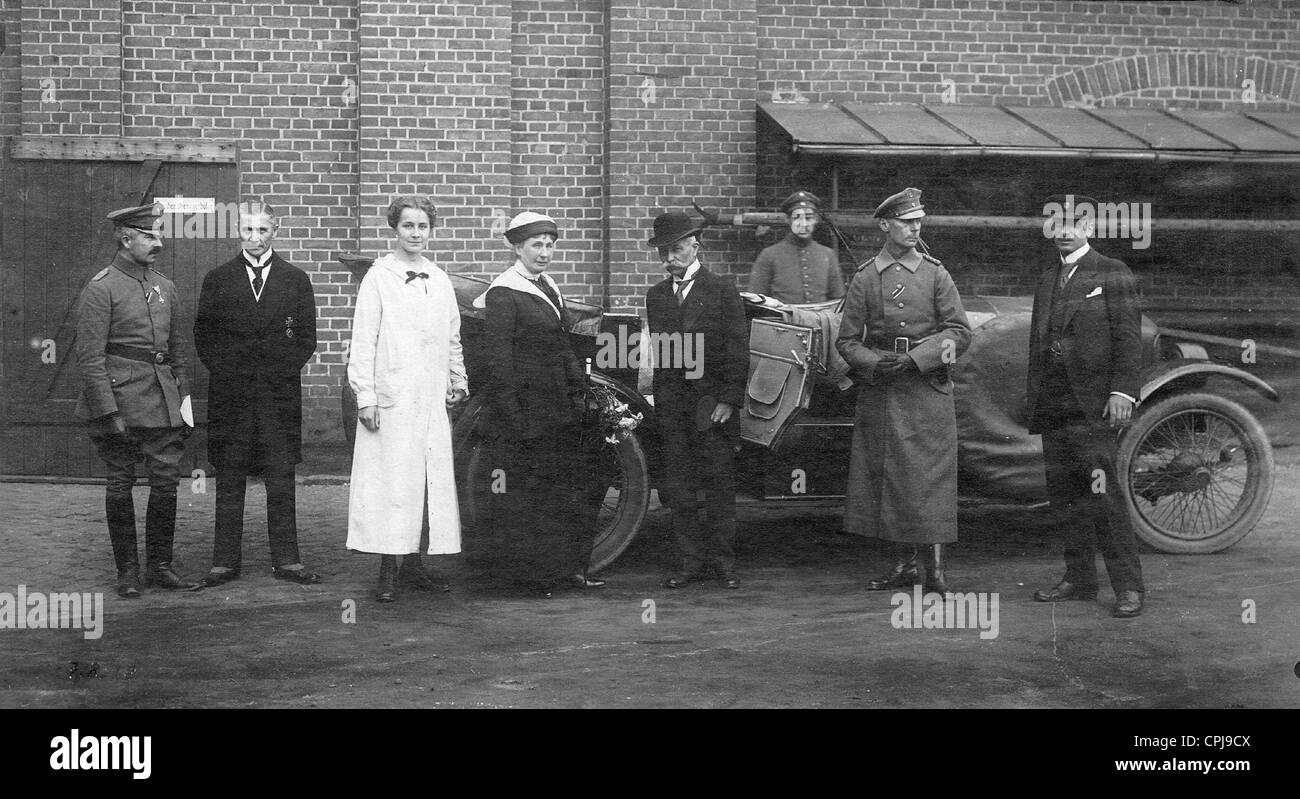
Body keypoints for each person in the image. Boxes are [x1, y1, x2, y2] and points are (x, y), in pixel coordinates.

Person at [836, 188, 971, 595]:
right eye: (906, 221)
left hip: (926, 389)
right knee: (892, 479)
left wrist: (918, 359)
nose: (915, 228)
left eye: (918, 221)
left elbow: (960, 334)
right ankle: (906, 565)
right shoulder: (865, 277)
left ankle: (934, 570)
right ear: (884, 225)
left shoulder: (935, 274)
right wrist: (876, 363)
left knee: (927, 479)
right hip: (884, 392)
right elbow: (846, 341)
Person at [473, 212, 603, 598]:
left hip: (556, 409)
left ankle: (561, 572)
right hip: (523, 415)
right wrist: (516, 418)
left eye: (550, 245)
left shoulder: (547, 286)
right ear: (517, 247)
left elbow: (562, 345)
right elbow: (499, 361)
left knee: (558, 493)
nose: (545, 252)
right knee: (522, 498)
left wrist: (581, 389)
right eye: (536, 245)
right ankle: (527, 580)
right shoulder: (504, 292)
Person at [1028, 194, 1145, 618]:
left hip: (1095, 406)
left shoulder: (1112, 273)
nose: (1063, 231)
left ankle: (1129, 588)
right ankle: (1079, 578)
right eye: (1056, 223)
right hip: (1054, 406)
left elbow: (1129, 340)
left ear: (1090, 228)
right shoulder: (1047, 278)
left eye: (1073, 223)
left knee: (1104, 497)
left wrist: (1122, 393)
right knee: (1067, 498)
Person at [73, 203, 199, 597]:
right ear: (126, 239)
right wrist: (109, 412)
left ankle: (160, 566)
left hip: (162, 401)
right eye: (150, 235)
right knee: (120, 482)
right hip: (120, 403)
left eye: (159, 233)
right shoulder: (102, 287)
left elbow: (178, 354)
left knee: (165, 483)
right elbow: (91, 359)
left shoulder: (165, 287)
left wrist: (185, 405)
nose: (158, 242)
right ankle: (127, 571)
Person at [346, 196, 467, 602]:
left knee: (426, 483)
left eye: (422, 227)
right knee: (392, 483)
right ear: (394, 230)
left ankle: (415, 565)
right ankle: (387, 569)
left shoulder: (439, 278)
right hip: (392, 397)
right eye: (407, 226)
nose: (415, 234)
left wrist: (457, 379)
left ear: (431, 230)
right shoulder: (379, 276)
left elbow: (453, 337)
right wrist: (366, 395)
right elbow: (363, 340)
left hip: (430, 399)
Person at [194, 201, 321, 587]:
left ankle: (287, 560)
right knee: (229, 476)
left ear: (275, 230)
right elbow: (205, 337)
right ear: (238, 232)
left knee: (280, 476)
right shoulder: (218, 279)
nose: (255, 238)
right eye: (248, 231)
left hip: (278, 395)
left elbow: (305, 340)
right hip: (231, 396)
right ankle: (224, 561)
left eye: (262, 231)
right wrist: (235, 373)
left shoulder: (295, 279)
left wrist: (274, 372)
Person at [645, 211, 749, 590]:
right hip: (674, 408)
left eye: (674, 250)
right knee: (681, 490)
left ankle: (724, 564)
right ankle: (690, 563)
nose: (668, 259)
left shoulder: (722, 290)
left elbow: (738, 351)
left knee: (719, 488)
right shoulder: (656, 297)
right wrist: (660, 404)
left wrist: (728, 400)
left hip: (713, 408)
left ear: (694, 246)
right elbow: (663, 357)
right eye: (663, 252)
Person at [747, 190, 845, 305]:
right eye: (797, 218)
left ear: (816, 220)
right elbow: (756, 302)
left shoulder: (827, 255)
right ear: (788, 220)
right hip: (782, 322)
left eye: (808, 218)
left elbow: (838, 302)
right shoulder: (769, 255)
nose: (803, 224)